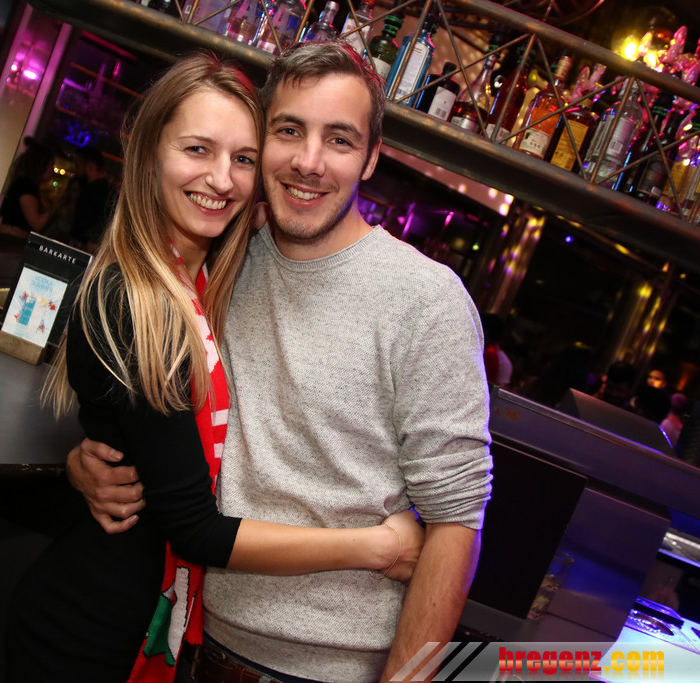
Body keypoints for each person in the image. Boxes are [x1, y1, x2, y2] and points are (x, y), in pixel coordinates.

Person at [69, 41, 493, 682]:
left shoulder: (426, 301)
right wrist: (94, 459)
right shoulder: (226, 256)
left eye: (340, 140)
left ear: (372, 158)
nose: (308, 161)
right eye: (289, 131)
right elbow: (156, 408)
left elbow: (455, 522)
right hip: (188, 642)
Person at [0, 137, 55, 249]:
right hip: (11, 241)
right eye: (51, 165)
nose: (53, 170)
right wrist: (56, 206)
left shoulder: (24, 183)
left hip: (10, 239)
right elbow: (36, 223)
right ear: (42, 166)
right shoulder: (26, 186)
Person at [70, 145, 115, 251]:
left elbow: (105, 219)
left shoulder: (101, 191)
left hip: (86, 247)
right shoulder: (90, 188)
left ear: (90, 166)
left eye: (78, 165)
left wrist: (93, 239)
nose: (75, 170)